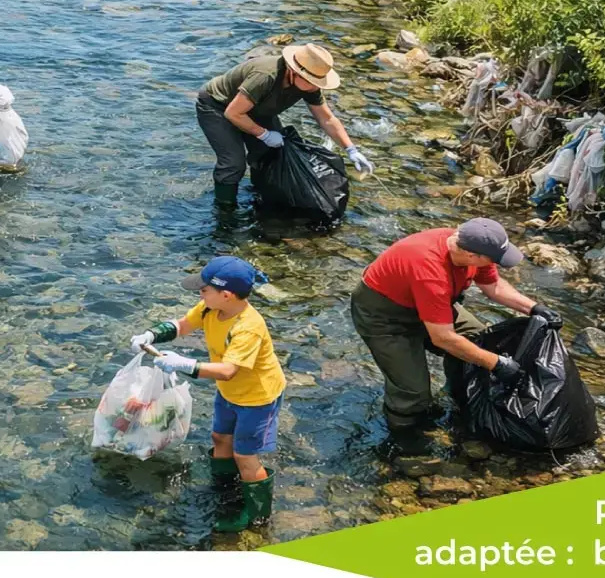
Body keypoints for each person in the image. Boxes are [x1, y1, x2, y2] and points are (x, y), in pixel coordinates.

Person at [350, 218, 563, 432]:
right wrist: (497, 364)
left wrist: (534, 308)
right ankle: (405, 440)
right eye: (495, 259)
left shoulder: (471, 243)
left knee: (480, 340)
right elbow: (443, 338)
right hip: (385, 317)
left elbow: (494, 286)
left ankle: (458, 396)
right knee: (413, 392)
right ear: (472, 256)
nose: (497, 264)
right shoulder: (431, 271)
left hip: (428, 304)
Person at [128, 256, 284, 532]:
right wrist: (151, 335)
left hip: (257, 399)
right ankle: (224, 490)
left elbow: (227, 370)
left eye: (203, 290)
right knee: (219, 437)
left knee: (245, 456)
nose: (199, 294)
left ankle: (259, 517)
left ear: (226, 295)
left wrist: (185, 364)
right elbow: (182, 326)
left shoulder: (247, 327)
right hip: (229, 394)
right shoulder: (210, 308)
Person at [195, 43, 374, 207]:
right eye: (311, 81)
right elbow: (233, 113)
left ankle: (260, 196)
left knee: (272, 154)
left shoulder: (310, 85)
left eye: (318, 82)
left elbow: (326, 118)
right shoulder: (265, 76)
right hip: (218, 106)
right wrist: (263, 134)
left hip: (258, 109)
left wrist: (350, 149)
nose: (315, 87)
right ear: (293, 71)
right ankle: (225, 210)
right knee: (233, 163)